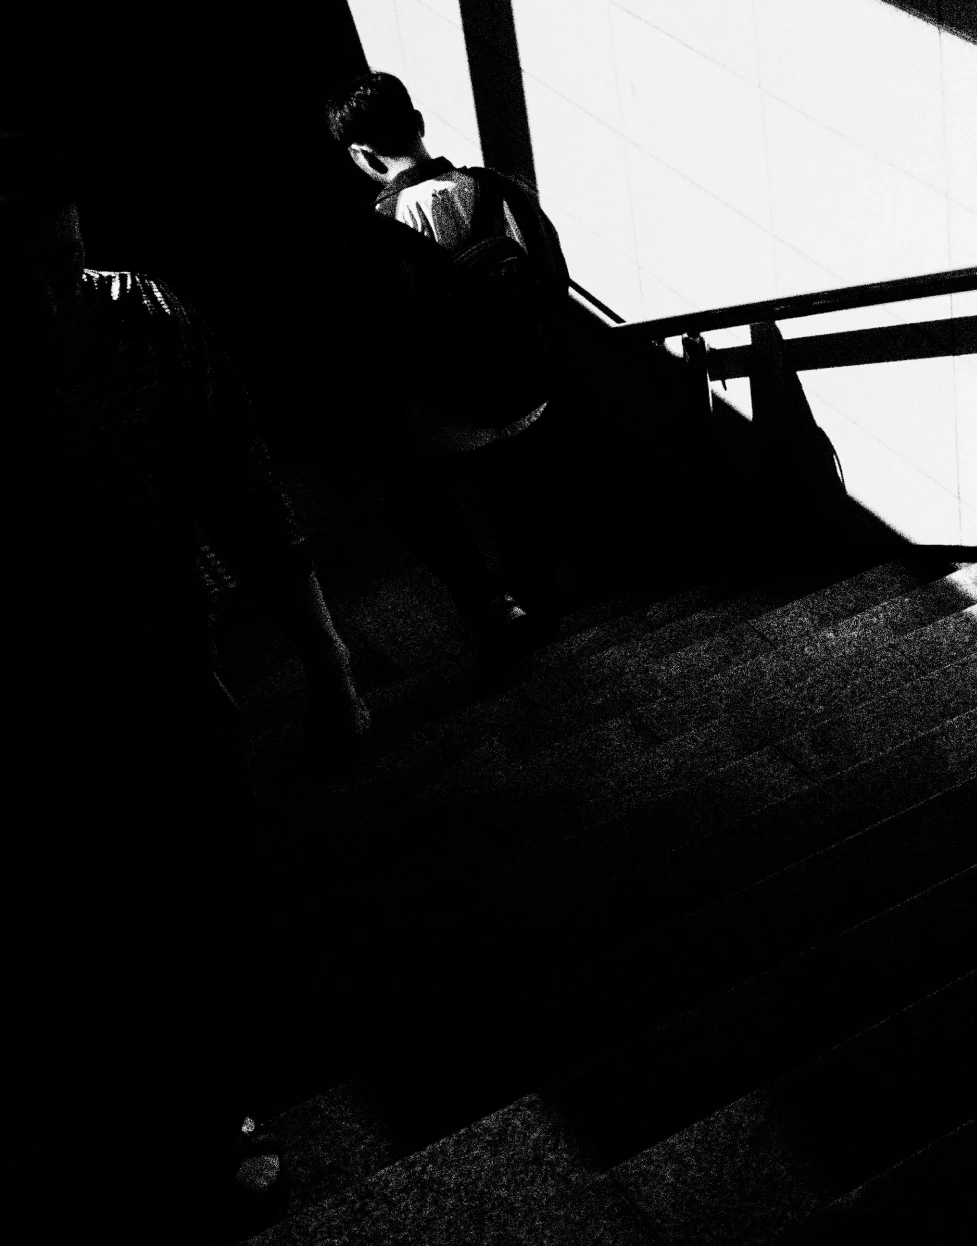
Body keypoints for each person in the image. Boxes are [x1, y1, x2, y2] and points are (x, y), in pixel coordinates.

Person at [0, 127, 368, 1232]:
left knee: (210, 903)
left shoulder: (144, 323)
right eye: (16, 278)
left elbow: (250, 496)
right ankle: (96, 1114)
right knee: (68, 923)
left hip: (164, 672)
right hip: (29, 706)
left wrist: (328, 661)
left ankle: (213, 1115)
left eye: (64, 262)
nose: (49, 300)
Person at [327, 71, 571, 658]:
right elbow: (554, 285)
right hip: (523, 394)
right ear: (419, 125)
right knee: (521, 511)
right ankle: (542, 621)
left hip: (443, 417)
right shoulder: (505, 191)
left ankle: (489, 606)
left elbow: (375, 343)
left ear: (362, 154)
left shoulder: (374, 233)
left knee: (413, 506)